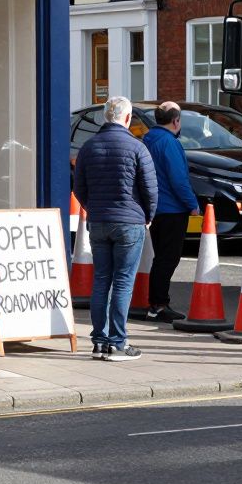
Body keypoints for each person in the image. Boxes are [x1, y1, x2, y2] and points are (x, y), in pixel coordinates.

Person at [73, 96, 157, 361]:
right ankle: (118, 343)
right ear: (128, 118)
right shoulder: (137, 147)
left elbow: (78, 187)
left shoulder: (88, 147)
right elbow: (150, 188)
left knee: (101, 281)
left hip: (98, 221)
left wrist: (93, 208)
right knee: (122, 281)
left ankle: (99, 342)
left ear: (105, 117)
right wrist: (148, 216)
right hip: (130, 222)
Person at [142, 101, 199, 322]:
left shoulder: (148, 140)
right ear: (176, 121)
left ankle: (155, 303)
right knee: (168, 258)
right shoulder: (169, 143)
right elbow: (178, 179)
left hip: (156, 208)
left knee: (160, 257)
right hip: (173, 209)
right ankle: (159, 304)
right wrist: (192, 204)